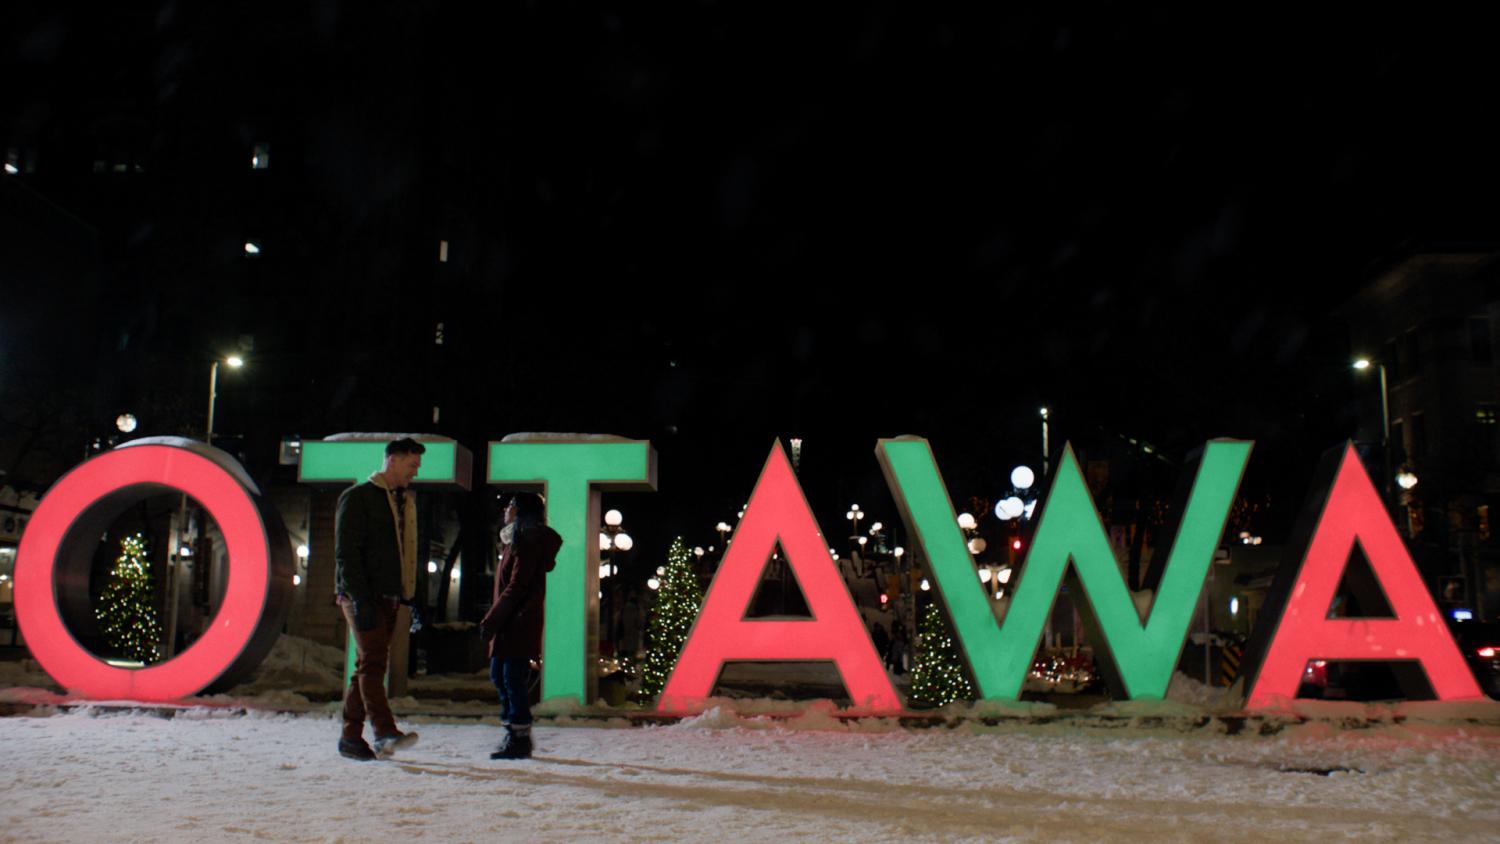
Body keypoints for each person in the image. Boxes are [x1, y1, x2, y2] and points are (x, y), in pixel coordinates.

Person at [334, 438, 425, 761]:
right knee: (373, 662)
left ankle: (350, 737)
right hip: (362, 595)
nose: (415, 472)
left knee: (366, 665)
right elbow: (346, 552)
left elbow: (405, 553)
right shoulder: (359, 498)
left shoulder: (402, 502)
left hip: (388, 596)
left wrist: (406, 596)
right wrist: (359, 598)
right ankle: (384, 731)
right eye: (412, 465)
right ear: (394, 460)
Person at [481, 492, 562, 760]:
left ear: (520, 510)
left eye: (511, 505)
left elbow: (517, 586)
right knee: (500, 677)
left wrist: (492, 619)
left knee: (510, 679)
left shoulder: (527, 541)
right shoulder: (515, 540)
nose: (506, 509)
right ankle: (514, 733)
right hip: (510, 621)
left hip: (517, 621)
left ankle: (519, 737)